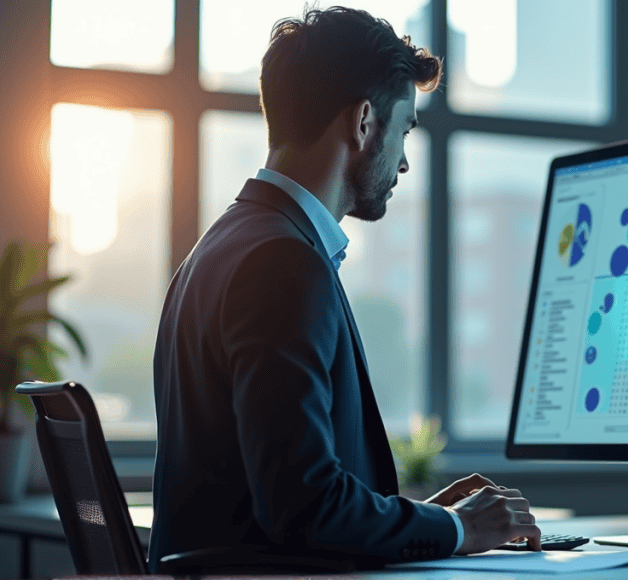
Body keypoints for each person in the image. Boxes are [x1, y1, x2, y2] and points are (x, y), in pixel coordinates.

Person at [148, 6, 541, 571]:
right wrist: (459, 527)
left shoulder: (220, 246)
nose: (404, 162)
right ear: (362, 122)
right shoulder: (283, 263)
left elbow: (285, 492)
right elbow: (303, 508)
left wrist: (422, 523)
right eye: (403, 129)